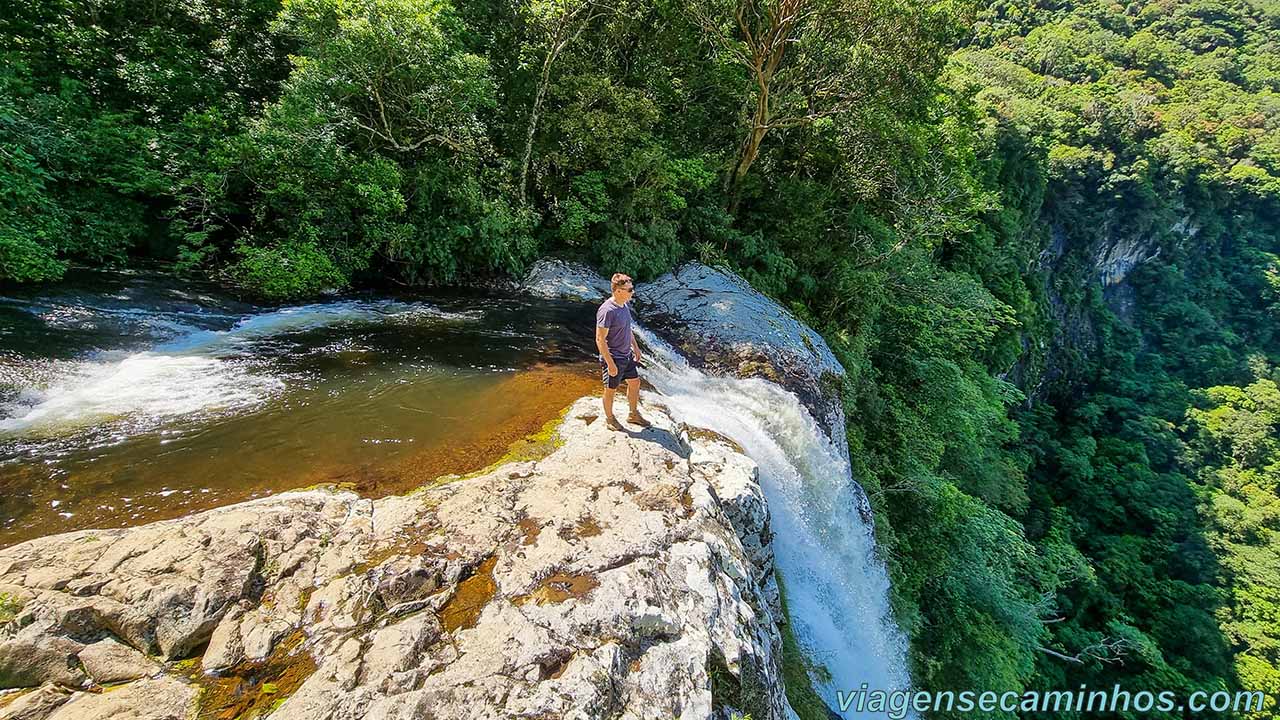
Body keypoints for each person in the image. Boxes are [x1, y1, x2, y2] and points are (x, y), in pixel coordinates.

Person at [595, 273, 650, 431]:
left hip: (626, 355)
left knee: (635, 383)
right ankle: (610, 419)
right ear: (618, 291)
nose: (632, 292)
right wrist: (610, 364)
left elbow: (628, 328)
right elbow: (600, 339)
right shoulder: (607, 311)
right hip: (614, 357)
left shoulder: (624, 305)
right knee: (610, 390)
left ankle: (633, 414)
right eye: (629, 289)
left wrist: (636, 347)